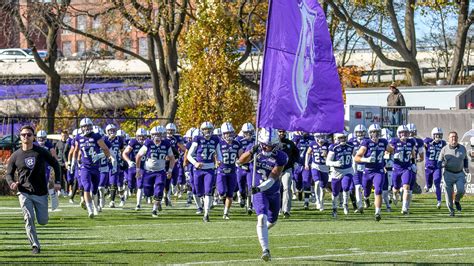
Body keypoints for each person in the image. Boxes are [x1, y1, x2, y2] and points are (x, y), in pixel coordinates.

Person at [5, 125, 61, 254]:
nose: (26, 137)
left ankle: (39, 225)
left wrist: (57, 182)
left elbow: (55, 164)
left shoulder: (41, 152)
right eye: (23, 135)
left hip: (41, 192)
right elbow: (8, 174)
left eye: (29, 135)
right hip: (24, 191)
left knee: (43, 221)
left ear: (33, 137)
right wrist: (12, 183)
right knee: (28, 218)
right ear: (20, 137)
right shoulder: (15, 155)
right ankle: (35, 245)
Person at [237, 128, 288, 262]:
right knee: (261, 218)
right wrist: (251, 152)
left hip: (272, 189)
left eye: (271, 144)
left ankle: (261, 232)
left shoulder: (281, 156)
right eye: (265, 144)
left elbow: (273, 177)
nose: (268, 147)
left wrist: (260, 188)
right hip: (257, 189)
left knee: (273, 220)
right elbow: (240, 161)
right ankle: (265, 250)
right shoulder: (254, 148)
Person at [354, 124, 394, 221]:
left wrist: (388, 155)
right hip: (367, 171)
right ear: (369, 133)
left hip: (379, 171)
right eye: (373, 132)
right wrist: (367, 160)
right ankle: (366, 199)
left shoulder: (383, 142)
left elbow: (392, 150)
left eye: (376, 132)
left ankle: (377, 212)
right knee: (366, 192)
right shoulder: (366, 142)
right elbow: (357, 158)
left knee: (378, 190)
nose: (375, 134)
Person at [136, 125, 175, 217]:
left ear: (163, 135)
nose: (157, 136)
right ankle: (156, 200)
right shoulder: (148, 143)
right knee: (147, 192)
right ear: (151, 135)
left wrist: (170, 170)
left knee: (159, 189)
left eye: (159, 134)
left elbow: (172, 158)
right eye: (155, 134)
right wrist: (138, 170)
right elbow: (138, 156)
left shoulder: (166, 144)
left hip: (160, 171)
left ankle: (154, 210)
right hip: (148, 171)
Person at [187, 121, 222, 222]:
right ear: (202, 131)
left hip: (209, 169)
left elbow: (218, 153)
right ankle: (202, 203)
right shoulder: (197, 139)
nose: (208, 131)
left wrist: (219, 161)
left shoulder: (215, 139)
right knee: (198, 192)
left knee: (208, 191)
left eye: (209, 129)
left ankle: (206, 213)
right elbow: (189, 155)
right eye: (205, 129)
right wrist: (195, 163)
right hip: (198, 169)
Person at [437, 131, 470, 217]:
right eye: (451, 137)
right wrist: (442, 164)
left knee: (461, 190)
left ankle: (457, 200)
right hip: (448, 173)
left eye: (455, 137)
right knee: (448, 194)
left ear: (457, 138)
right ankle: (451, 211)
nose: (453, 138)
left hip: (459, 173)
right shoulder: (444, 149)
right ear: (448, 139)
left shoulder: (462, 148)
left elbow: (465, 158)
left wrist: (466, 167)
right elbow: (439, 162)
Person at [326, 132, 355, 217]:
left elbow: (356, 155)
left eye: (344, 137)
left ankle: (345, 204)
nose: (342, 139)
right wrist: (335, 163)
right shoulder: (333, 147)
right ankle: (334, 208)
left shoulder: (350, 146)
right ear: (336, 138)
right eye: (340, 138)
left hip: (348, 170)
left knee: (346, 187)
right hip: (336, 172)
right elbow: (327, 162)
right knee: (335, 192)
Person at [218, 122, 243, 219]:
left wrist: (239, 161)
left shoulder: (237, 143)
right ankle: (221, 197)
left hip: (233, 171)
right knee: (222, 191)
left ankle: (226, 213)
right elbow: (214, 154)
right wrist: (216, 161)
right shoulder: (219, 143)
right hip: (222, 170)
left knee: (230, 194)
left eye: (230, 133)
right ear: (223, 134)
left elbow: (241, 156)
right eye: (227, 133)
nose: (229, 135)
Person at [389, 125, 416, 215]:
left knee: (406, 187)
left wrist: (413, 163)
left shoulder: (411, 141)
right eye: (402, 132)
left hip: (406, 168)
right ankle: (394, 194)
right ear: (398, 133)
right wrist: (392, 155)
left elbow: (413, 153)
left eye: (405, 132)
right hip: (396, 168)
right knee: (396, 188)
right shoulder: (394, 141)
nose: (404, 134)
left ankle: (404, 208)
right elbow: (388, 151)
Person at [277, 130, 299, 218]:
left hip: (287, 168)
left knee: (287, 188)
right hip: (275, 169)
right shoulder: (273, 143)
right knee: (276, 189)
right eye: (279, 132)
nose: (281, 133)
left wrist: (295, 162)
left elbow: (296, 153)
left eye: (283, 132)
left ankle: (286, 210)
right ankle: (277, 208)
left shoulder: (290, 143)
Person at [424, 127, 446, 208]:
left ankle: (439, 201)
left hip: (437, 166)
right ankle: (427, 185)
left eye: (439, 135)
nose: (438, 137)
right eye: (436, 135)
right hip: (428, 166)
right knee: (429, 185)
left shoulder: (443, 143)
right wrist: (427, 144)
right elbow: (424, 142)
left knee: (437, 183)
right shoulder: (428, 141)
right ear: (433, 135)